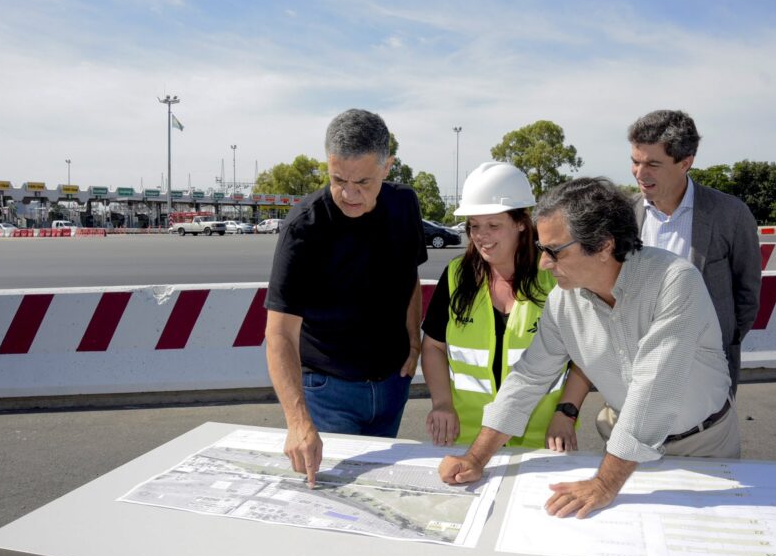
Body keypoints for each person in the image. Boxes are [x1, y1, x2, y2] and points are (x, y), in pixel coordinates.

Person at [439, 177, 739, 519]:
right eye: (541, 249)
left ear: (604, 246)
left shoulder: (675, 281)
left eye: (554, 251)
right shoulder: (563, 300)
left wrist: (605, 484)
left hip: (703, 445)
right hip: (624, 450)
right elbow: (528, 379)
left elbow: (654, 391)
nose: (544, 263)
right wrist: (475, 458)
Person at [265, 109, 427, 487]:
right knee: (333, 499)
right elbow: (279, 334)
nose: (349, 194)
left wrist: (414, 342)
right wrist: (298, 422)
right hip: (328, 392)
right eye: (338, 180)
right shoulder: (303, 227)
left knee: (375, 491)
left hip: (393, 385)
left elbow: (410, 277)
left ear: (388, 167)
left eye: (363, 182)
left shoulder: (405, 204)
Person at [421, 162, 590, 451]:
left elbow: (583, 357)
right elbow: (433, 346)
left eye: (493, 225)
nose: (480, 236)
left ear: (521, 223)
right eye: (474, 225)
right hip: (467, 439)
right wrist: (442, 403)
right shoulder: (455, 276)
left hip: (541, 440)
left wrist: (566, 413)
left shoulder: (554, 278)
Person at [628, 110, 761, 395]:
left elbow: (747, 292)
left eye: (652, 164)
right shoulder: (624, 216)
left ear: (685, 163)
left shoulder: (731, 214)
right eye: (635, 162)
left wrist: (725, 339)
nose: (640, 173)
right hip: (639, 366)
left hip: (706, 368)